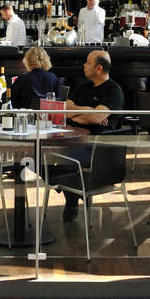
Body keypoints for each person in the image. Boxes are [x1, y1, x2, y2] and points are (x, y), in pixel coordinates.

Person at [58, 50, 124, 221]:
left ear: (99, 68)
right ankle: (73, 189)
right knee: (41, 158)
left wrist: (80, 114)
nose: (84, 65)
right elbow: (65, 108)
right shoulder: (84, 85)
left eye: (87, 62)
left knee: (65, 160)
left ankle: (71, 198)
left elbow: (95, 117)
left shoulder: (113, 90)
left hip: (99, 145)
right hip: (72, 137)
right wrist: (90, 112)